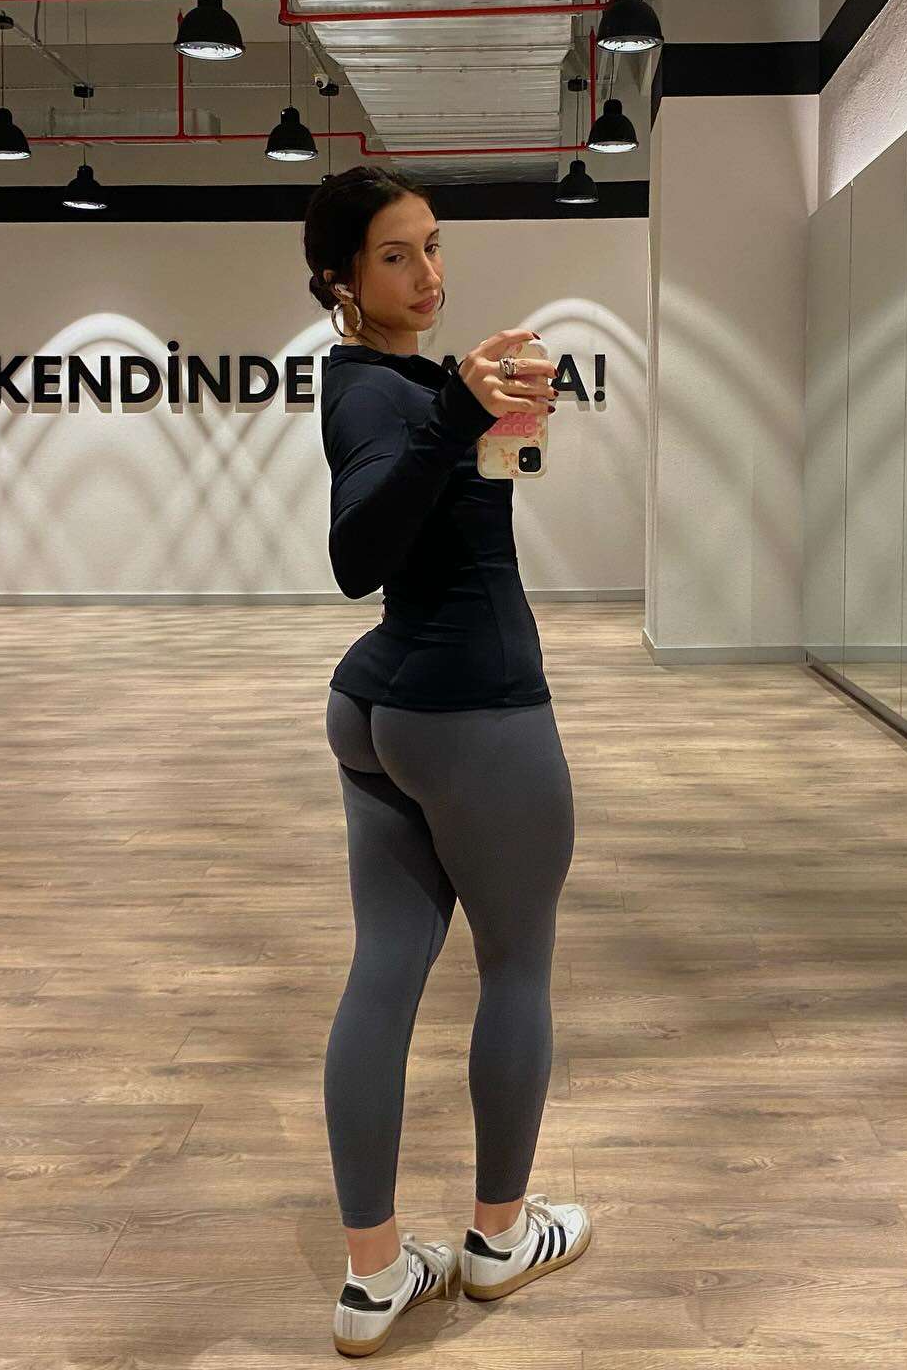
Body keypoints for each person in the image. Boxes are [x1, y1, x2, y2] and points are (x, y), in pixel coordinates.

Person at [303, 164, 593, 1357]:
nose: (427, 272)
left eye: (431, 245)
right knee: (516, 969)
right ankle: (497, 1242)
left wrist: (478, 406)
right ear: (341, 279)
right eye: (395, 255)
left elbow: (433, 483)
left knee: (385, 971)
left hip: (379, 708)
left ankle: (376, 1280)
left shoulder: (386, 379)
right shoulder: (379, 397)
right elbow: (356, 554)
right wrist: (453, 417)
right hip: (474, 712)